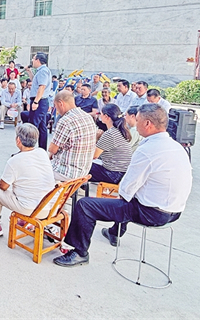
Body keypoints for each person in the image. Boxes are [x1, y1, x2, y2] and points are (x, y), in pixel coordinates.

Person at [53, 104, 192, 267]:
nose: (134, 124)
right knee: (128, 199)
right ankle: (114, 232)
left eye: (137, 120)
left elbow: (126, 190)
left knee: (85, 205)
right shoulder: (177, 147)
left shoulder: (147, 150)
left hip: (151, 213)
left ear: (148, 123)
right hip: (175, 211)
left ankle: (79, 252)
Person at [0, 124, 55, 236]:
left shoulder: (15, 160)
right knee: (26, 189)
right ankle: (23, 219)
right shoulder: (42, 153)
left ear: (18, 140)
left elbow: (2, 186)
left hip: (30, 209)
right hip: (49, 207)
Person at [49, 90, 97, 182]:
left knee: (32, 170)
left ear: (61, 103)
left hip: (66, 172)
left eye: (56, 106)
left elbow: (52, 150)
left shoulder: (65, 121)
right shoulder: (88, 117)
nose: (57, 110)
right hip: (84, 171)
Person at [89, 104, 133, 188]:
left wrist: (96, 138)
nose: (99, 116)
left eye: (100, 114)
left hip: (112, 174)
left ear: (106, 116)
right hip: (121, 173)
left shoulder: (110, 134)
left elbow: (94, 155)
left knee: (82, 166)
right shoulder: (121, 131)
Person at [26, 53, 51, 150]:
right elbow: (35, 82)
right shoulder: (41, 71)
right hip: (41, 101)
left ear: (38, 60)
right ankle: (42, 149)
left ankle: (27, 149)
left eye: (33, 58)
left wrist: (36, 102)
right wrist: (29, 71)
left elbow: (42, 87)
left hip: (39, 101)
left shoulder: (43, 71)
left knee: (33, 126)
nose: (32, 60)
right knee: (42, 127)